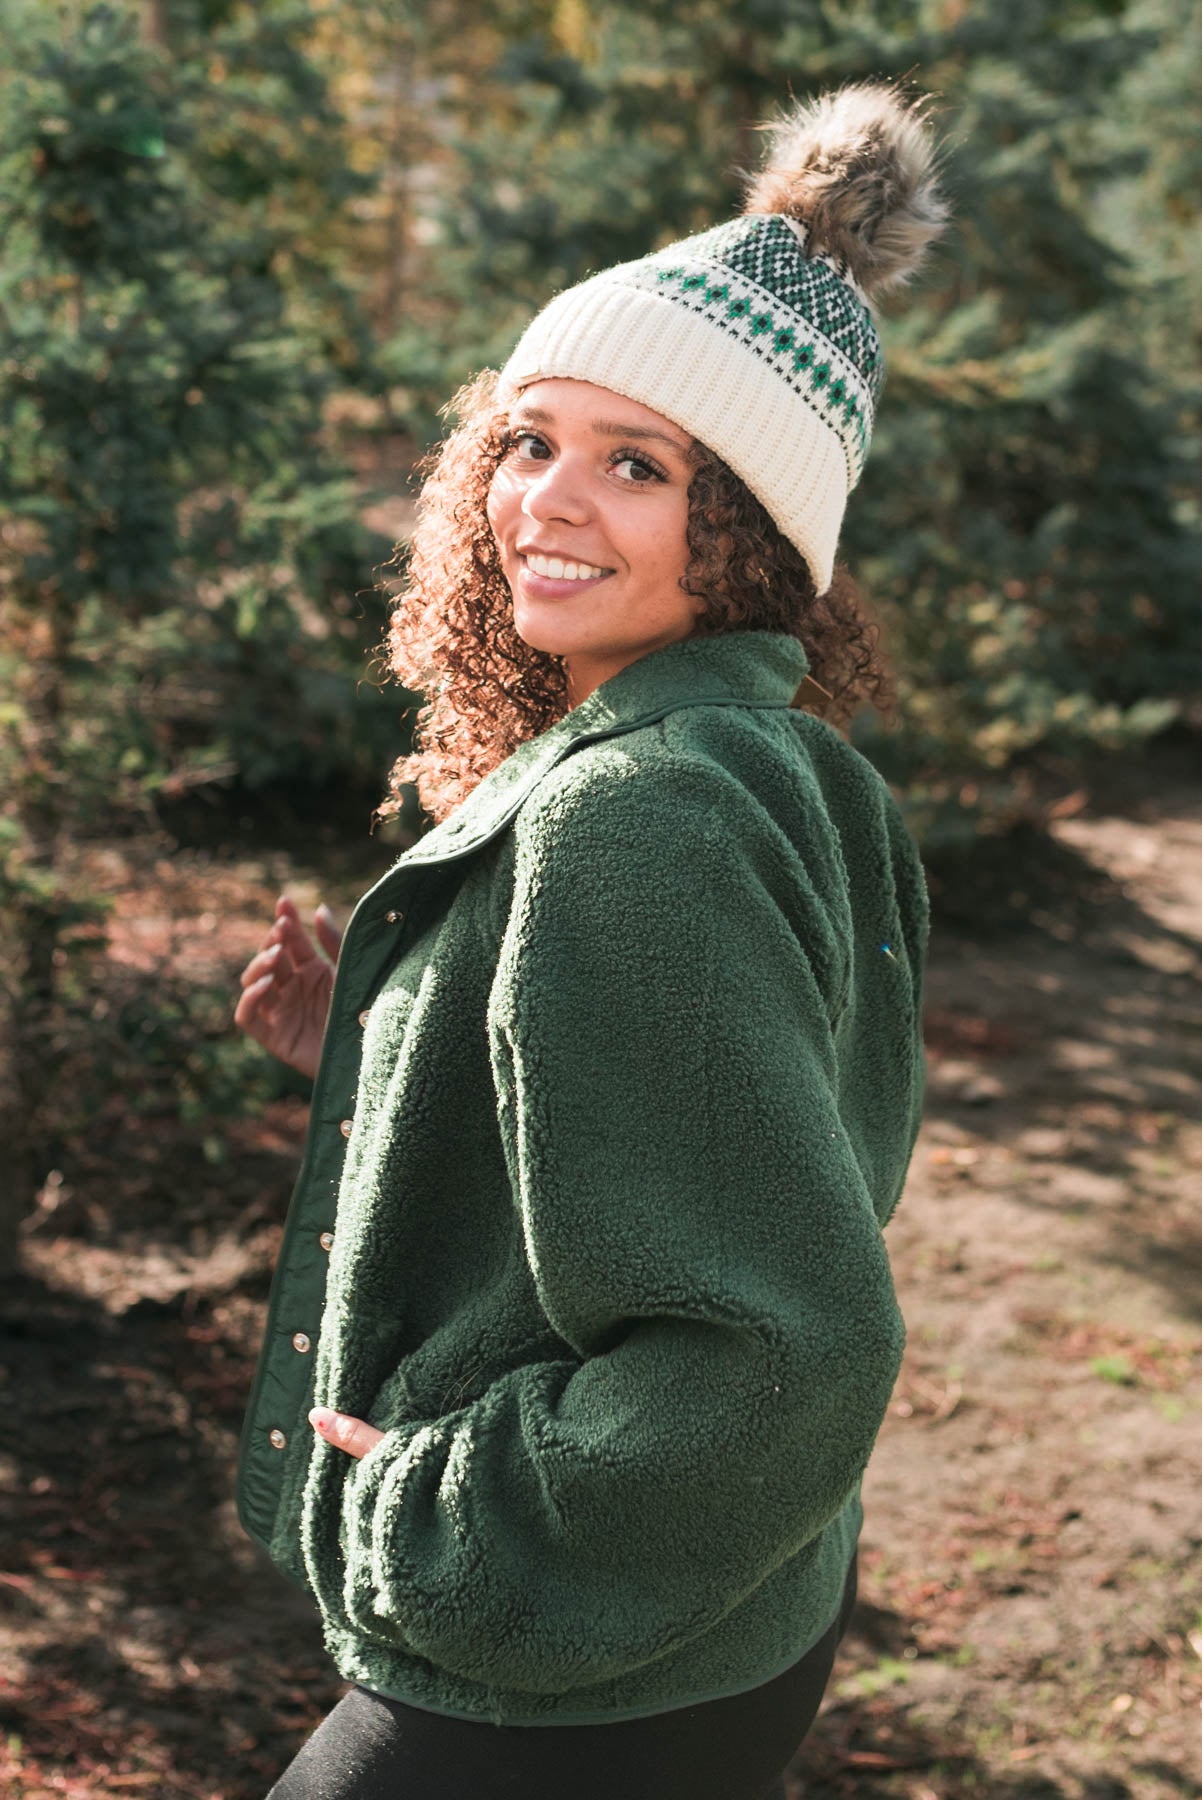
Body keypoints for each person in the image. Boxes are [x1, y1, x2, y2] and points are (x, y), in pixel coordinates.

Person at [233, 78, 947, 1800]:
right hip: (719, 1624)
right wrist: (391, 1032)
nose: (547, 499)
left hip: (569, 1667)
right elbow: (721, 1117)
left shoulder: (640, 816)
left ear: (749, 534)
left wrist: (452, 1513)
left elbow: (786, 1344)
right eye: (529, 438)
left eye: (639, 467)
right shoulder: (773, 760)